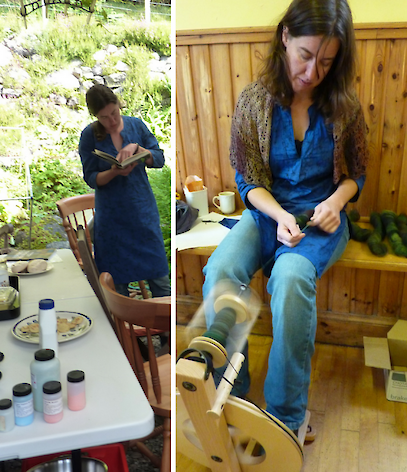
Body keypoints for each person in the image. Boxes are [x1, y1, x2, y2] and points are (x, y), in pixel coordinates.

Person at [201, 0, 364, 442]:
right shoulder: (254, 101)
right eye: (306, 56)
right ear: (285, 38)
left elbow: (356, 174)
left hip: (321, 219)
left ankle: (286, 418)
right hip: (265, 211)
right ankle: (231, 394)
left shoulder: (343, 105)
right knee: (219, 270)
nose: (313, 72)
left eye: (327, 61)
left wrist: (336, 200)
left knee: (292, 278)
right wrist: (275, 216)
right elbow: (247, 180)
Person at [77, 84, 170, 297]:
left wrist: (139, 149)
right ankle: (122, 327)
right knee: (115, 285)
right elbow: (91, 178)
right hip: (111, 219)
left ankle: (164, 329)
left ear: (119, 104)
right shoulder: (89, 136)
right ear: (95, 116)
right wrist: (114, 172)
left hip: (142, 211)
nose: (112, 120)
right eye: (104, 117)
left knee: (160, 279)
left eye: (114, 112)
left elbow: (159, 159)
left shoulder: (136, 126)